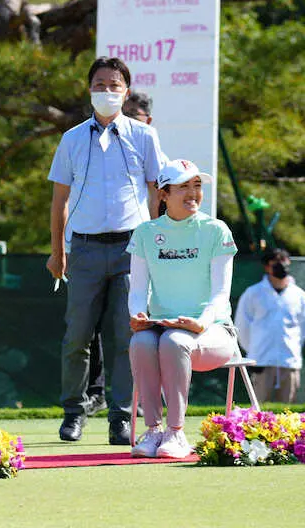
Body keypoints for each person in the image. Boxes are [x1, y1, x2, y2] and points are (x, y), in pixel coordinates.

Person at [47, 57, 167, 445]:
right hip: (82, 248)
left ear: (126, 92)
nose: (107, 91)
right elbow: (59, 200)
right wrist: (57, 251)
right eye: (100, 84)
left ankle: (120, 417)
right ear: (89, 89)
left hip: (130, 248)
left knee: (127, 336)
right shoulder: (72, 138)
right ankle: (73, 411)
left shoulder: (144, 136)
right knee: (76, 336)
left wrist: (153, 238)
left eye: (115, 85)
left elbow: (157, 189)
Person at [126, 159, 239, 459]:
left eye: (197, 186)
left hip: (213, 333)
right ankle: (153, 431)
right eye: (184, 187)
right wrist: (137, 315)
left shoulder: (217, 230)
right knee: (140, 341)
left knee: (175, 341)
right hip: (161, 329)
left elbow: (220, 294)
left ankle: (175, 433)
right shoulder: (145, 233)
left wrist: (200, 323)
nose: (193, 193)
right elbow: (137, 290)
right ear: (163, 194)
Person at [236, 249, 305, 404]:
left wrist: (292, 348)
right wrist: (254, 351)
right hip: (261, 361)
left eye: (284, 261)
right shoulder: (253, 293)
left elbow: (302, 328)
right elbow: (241, 325)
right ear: (267, 267)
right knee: (259, 411)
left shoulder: (299, 295)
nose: (281, 265)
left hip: (289, 362)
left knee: (288, 414)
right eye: (276, 262)